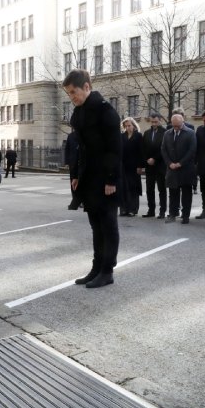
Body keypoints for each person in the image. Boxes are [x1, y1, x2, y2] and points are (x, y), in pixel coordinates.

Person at [64, 69, 121, 289]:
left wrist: (111, 180)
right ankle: (96, 268)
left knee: (108, 225)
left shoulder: (106, 112)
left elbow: (114, 150)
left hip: (106, 179)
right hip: (89, 178)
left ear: (87, 87)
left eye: (73, 92)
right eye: (68, 94)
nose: (72, 97)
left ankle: (107, 271)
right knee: (95, 226)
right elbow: (80, 149)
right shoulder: (79, 113)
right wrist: (77, 175)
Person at [162, 113, 197, 224]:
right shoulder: (167, 133)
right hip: (171, 168)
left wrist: (180, 163)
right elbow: (163, 149)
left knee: (186, 193)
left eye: (178, 125)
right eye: (174, 125)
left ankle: (185, 215)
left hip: (186, 168)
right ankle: (172, 214)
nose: (176, 127)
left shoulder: (190, 133)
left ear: (183, 122)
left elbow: (192, 150)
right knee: (173, 192)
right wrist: (169, 163)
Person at [141, 113, 167, 219]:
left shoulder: (165, 133)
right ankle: (151, 210)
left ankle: (162, 211)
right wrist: (147, 160)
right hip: (149, 166)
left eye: (156, 122)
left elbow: (164, 148)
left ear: (160, 120)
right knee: (149, 189)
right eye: (152, 122)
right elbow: (143, 149)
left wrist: (155, 159)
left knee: (162, 189)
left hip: (160, 165)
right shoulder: (147, 133)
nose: (154, 124)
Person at [119, 117, 143, 217]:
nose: (128, 128)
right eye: (126, 126)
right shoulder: (122, 136)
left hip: (134, 166)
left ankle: (133, 209)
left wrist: (140, 166)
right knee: (123, 187)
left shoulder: (138, 136)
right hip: (123, 165)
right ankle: (124, 209)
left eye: (129, 125)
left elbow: (141, 152)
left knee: (133, 188)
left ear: (133, 125)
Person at [64, 129, 80, 210]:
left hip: (81, 162)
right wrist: (67, 162)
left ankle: (82, 200)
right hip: (72, 163)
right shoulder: (70, 136)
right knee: (73, 181)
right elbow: (67, 149)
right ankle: (74, 198)